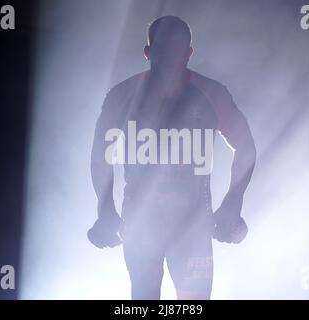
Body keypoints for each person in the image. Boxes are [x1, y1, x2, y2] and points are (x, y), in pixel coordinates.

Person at [88, 16, 256, 300]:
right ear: (148, 52)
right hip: (141, 222)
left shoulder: (211, 94)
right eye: (163, 50)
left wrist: (232, 202)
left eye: (177, 50)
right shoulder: (121, 96)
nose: (170, 59)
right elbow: (99, 156)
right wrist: (105, 209)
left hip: (192, 226)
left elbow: (246, 147)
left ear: (189, 53)